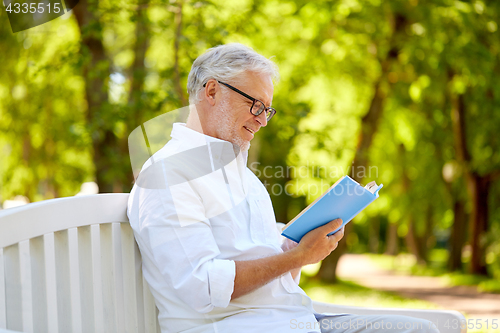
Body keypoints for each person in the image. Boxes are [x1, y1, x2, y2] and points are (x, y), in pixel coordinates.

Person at [127, 43, 439, 333]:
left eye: (267, 110)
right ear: (212, 91)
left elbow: (271, 270)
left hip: (291, 320)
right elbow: (203, 286)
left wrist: (294, 245)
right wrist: (299, 256)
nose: (262, 121)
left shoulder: (243, 178)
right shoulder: (168, 176)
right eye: (256, 106)